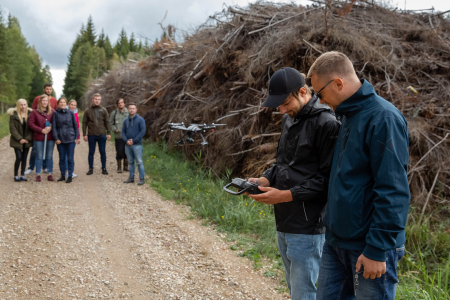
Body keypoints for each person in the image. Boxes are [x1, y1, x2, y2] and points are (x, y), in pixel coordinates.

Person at [307, 51, 410, 300]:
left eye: (320, 93)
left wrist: (377, 248)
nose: (319, 102)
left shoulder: (383, 118)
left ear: (339, 83)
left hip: (370, 247)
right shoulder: (348, 116)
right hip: (336, 243)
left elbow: (393, 189)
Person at [247, 68, 340, 300]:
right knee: (294, 290)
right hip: (284, 219)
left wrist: (285, 195)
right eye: (278, 105)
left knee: (305, 294)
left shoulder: (327, 123)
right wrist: (265, 179)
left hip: (309, 226)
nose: (282, 110)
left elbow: (328, 180)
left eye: (285, 103)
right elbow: (284, 162)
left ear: (302, 91)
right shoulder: (290, 119)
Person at [25, 83, 58, 175]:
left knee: (47, 152)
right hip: (39, 131)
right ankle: (31, 167)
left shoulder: (54, 101)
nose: (48, 90)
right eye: (47, 89)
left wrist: (50, 127)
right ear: (44, 89)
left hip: (49, 131)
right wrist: (40, 129)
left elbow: (54, 116)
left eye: (50, 89)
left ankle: (45, 167)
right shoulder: (37, 98)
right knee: (36, 150)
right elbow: (33, 112)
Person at [82, 93, 111, 175]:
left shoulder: (104, 110)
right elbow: (84, 123)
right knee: (91, 152)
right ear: (93, 99)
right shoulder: (88, 110)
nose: (97, 101)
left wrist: (108, 133)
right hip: (91, 134)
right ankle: (90, 168)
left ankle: (104, 168)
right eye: (96, 99)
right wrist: (84, 134)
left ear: (100, 100)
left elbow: (107, 122)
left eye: (98, 99)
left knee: (102, 151)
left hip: (102, 134)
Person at [28, 94, 55, 182]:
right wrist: (41, 130)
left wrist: (51, 127)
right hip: (39, 137)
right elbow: (31, 124)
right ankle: (38, 174)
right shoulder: (34, 112)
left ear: (48, 102)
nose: (44, 102)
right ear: (40, 102)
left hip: (50, 137)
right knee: (39, 155)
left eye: (46, 101)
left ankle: (50, 174)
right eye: (43, 100)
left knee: (49, 155)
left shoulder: (53, 112)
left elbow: (56, 123)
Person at [52, 98, 80, 183]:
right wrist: (56, 138)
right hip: (60, 140)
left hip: (70, 139)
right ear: (58, 104)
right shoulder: (55, 114)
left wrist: (76, 137)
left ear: (66, 104)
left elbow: (75, 126)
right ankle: (63, 175)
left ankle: (70, 175)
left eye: (64, 102)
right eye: (61, 102)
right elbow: (54, 127)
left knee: (70, 158)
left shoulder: (71, 113)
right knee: (62, 158)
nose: (62, 104)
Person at [8, 99, 33, 182]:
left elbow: (31, 128)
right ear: (18, 105)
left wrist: (27, 139)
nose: (23, 106)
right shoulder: (13, 115)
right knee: (19, 157)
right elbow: (12, 128)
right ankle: (16, 175)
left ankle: (22, 175)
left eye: (24, 104)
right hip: (17, 140)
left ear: (27, 105)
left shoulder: (30, 115)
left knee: (24, 158)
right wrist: (19, 139)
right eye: (21, 105)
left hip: (27, 140)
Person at [122, 102, 146, 185]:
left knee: (139, 162)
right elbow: (123, 132)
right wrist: (126, 140)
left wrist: (134, 140)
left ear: (136, 110)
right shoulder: (125, 121)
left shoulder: (140, 120)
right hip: (127, 145)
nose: (131, 110)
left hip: (137, 145)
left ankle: (142, 178)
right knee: (130, 162)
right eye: (130, 108)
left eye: (133, 108)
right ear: (128, 110)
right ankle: (131, 177)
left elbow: (142, 132)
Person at [109, 98, 129, 173]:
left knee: (127, 152)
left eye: (122, 102)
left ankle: (126, 166)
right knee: (119, 151)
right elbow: (111, 123)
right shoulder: (114, 113)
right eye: (119, 103)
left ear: (124, 103)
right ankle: (119, 167)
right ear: (117, 105)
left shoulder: (129, 112)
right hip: (119, 136)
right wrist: (115, 129)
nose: (120, 104)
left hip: (127, 136)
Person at [65, 99, 80, 178]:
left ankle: (70, 171)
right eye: (72, 105)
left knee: (71, 154)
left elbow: (77, 125)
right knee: (65, 155)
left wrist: (78, 137)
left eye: (74, 105)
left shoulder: (76, 114)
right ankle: (66, 171)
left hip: (73, 136)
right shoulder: (65, 112)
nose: (73, 106)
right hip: (65, 135)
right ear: (68, 105)